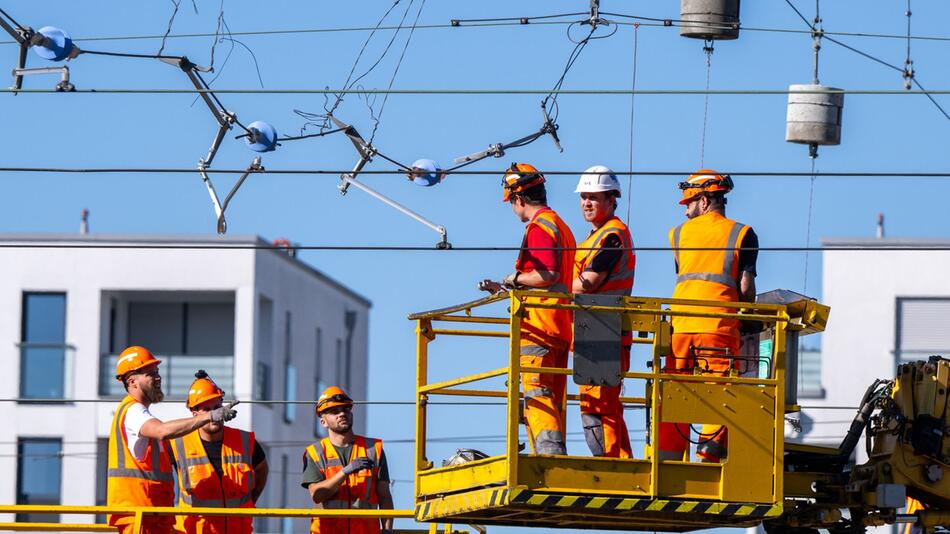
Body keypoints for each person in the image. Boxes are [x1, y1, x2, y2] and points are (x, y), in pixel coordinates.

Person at [657, 170, 758, 463]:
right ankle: (708, 454)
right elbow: (745, 287)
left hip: (679, 327)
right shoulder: (742, 233)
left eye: (688, 202)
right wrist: (747, 308)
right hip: (718, 326)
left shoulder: (677, 234)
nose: (685, 209)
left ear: (703, 200)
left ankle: (667, 460)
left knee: (676, 389)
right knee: (720, 390)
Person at [480, 162, 577, 456]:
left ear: (518, 199)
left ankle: (549, 459)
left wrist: (514, 278)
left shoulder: (539, 227)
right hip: (560, 325)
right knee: (552, 396)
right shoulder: (561, 226)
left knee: (536, 392)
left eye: (511, 202)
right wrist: (506, 288)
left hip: (539, 325)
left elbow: (546, 275)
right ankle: (547, 453)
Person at [107, 346, 238, 533]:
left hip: (152, 519)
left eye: (157, 371)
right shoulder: (133, 411)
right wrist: (209, 416)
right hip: (140, 520)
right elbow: (162, 431)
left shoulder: (137, 413)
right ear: (132, 381)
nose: (158, 377)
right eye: (150, 373)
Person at [571, 165, 636, 458]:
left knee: (600, 407)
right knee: (601, 404)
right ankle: (621, 462)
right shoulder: (593, 238)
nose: (586, 203)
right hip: (594, 330)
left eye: (593, 197)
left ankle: (614, 465)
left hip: (604, 330)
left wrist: (553, 291)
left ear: (612, 199)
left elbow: (589, 283)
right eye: (584, 197)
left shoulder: (613, 236)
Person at [170, 370, 268, 534]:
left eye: (217, 407)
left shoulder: (244, 441)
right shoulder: (177, 446)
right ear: (195, 414)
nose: (215, 414)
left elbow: (262, 468)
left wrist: (252, 499)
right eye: (207, 410)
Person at [301, 386, 394, 534]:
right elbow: (317, 495)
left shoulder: (373, 449)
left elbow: (384, 495)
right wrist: (346, 471)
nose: (342, 414)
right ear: (323, 422)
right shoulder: (315, 453)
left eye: (346, 409)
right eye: (334, 412)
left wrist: (387, 530)